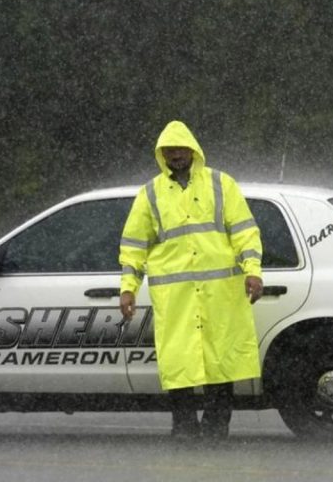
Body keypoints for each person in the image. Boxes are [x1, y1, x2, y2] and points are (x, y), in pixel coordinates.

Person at [119, 119, 263, 439]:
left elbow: (244, 233)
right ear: (162, 155)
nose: (176, 154)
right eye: (169, 150)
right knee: (179, 363)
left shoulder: (221, 184)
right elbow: (133, 246)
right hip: (176, 297)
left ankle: (216, 427)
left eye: (181, 148)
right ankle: (183, 427)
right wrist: (128, 288)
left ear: (193, 150)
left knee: (220, 362)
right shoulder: (151, 194)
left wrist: (253, 271)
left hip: (219, 294)